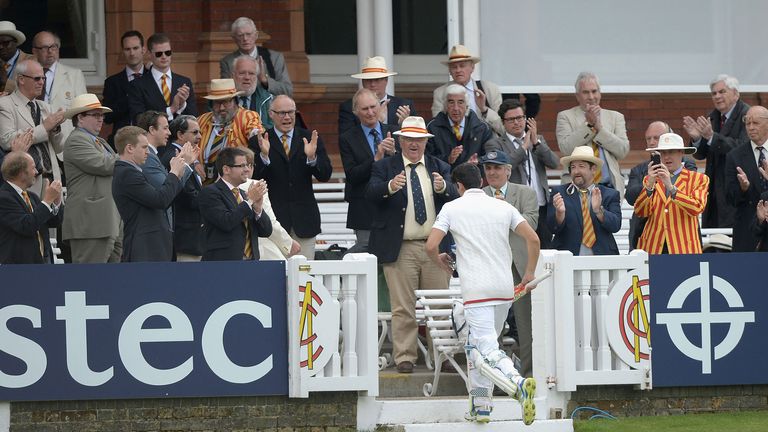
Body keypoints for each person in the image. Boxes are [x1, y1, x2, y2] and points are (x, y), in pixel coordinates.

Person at [426, 162, 539, 425]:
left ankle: (518, 384)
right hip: (503, 289)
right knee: (475, 348)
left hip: (476, 290)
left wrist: (440, 260)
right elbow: (533, 239)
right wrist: (529, 273)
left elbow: (430, 245)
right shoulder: (503, 205)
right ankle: (482, 405)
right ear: (481, 181)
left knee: (485, 349)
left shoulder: (452, 207)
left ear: (458, 186)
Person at [365, 116, 458, 373]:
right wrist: (390, 187)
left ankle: (444, 355)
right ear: (400, 141)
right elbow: (370, 195)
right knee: (402, 306)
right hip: (400, 246)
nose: (413, 144)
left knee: (440, 305)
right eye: (408, 139)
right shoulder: (385, 167)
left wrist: (444, 188)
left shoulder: (439, 167)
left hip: (435, 248)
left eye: (418, 139)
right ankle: (405, 356)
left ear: (426, 142)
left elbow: (456, 198)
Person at [251, 94, 332, 259]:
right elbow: (252, 179)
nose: (287, 117)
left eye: (291, 112)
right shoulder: (258, 141)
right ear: (271, 114)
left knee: (304, 275)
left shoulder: (310, 138)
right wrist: (264, 157)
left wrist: (312, 158)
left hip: (304, 220)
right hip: (273, 223)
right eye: (281, 113)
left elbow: (325, 174)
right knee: (276, 275)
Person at [480, 150, 538, 379]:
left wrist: (504, 210)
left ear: (508, 170)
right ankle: (496, 377)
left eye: (497, 167)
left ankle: (528, 377)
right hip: (491, 268)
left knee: (526, 326)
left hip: (520, 268)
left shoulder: (525, 193)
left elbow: (531, 222)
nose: (492, 172)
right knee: (492, 326)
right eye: (488, 168)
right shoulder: (479, 195)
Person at [485, 99, 559, 247]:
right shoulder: (495, 144)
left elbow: (554, 163)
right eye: (511, 119)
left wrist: (536, 143)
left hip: (541, 206)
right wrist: (523, 148)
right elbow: (505, 166)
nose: (517, 122)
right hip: (515, 207)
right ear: (503, 122)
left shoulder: (537, 140)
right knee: (520, 250)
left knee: (544, 249)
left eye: (520, 118)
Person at [111, 126, 188, 262]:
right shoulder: (128, 173)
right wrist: (174, 173)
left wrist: (178, 173)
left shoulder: (131, 172)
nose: (148, 152)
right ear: (129, 148)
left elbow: (165, 199)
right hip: (145, 247)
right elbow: (160, 200)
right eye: (144, 147)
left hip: (151, 245)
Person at [61, 94, 123, 263]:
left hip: (106, 221)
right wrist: (128, 156)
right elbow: (104, 164)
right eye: (96, 115)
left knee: (108, 281)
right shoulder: (76, 140)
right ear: (80, 117)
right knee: (89, 280)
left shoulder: (99, 141)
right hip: (91, 223)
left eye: (102, 115)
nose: (101, 119)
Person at [683, 74, 750, 229]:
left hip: (736, 187)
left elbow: (742, 147)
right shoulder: (712, 117)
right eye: (714, 93)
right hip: (713, 189)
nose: (717, 96)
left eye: (722, 92)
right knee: (714, 242)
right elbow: (701, 154)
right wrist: (697, 139)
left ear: (736, 93)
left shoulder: (747, 115)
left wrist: (712, 137)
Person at [339, 88, 399, 253]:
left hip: (394, 206)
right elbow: (352, 175)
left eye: (373, 106)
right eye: (365, 109)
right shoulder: (348, 138)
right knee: (366, 254)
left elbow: (406, 168)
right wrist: (376, 158)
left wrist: (394, 154)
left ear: (380, 106)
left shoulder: (394, 131)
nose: (370, 112)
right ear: (355, 112)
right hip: (364, 209)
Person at [556, 72, 629, 199]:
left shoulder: (615, 117)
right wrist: (589, 126)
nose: (591, 96)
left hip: (609, 188)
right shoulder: (565, 116)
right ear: (578, 96)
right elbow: (566, 149)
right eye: (585, 92)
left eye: (594, 91)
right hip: (576, 188)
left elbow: (622, 150)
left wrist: (599, 129)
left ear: (600, 93)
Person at [626, 121, 697, 250]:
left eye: (656, 138)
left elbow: (692, 199)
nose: (652, 142)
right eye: (648, 138)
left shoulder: (687, 165)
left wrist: (669, 183)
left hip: (681, 240)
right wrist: (650, 183)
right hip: (648, 236)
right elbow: (631, 198)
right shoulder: (639, 170)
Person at [0, 59, 66, 197]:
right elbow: (7, 140)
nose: (42, 82)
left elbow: (59, 148)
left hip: (53, 178)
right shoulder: (5, 104)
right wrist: (45, 127)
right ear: (21, 79)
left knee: (56, 218)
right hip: (28, 182)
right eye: (37, 78)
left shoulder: (45, 107)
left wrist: (55, 129)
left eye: (43, 78)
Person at [634, 133, 709, 254]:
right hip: (653, 248)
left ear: (681, 153)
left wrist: (671, 188)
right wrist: (649, 187)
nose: (667, 157)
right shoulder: (651, 179)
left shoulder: (698, 179)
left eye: (671, 152)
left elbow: (696, 207)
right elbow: (640, 211)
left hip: (683, 248)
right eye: (663, 153)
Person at [198, 146, 272, 261]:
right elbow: (226, 222)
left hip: (251, 264)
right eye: (242, 166)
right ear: (226, 169)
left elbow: (266, 231)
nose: (247, 169)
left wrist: (258, 209)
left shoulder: (243, 194)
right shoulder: (210, 193)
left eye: (247, 165)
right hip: (222, 265)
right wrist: (249, 202)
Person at [548, 146, 622, 255]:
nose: (576, 171)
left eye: (581, 166)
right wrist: (560, 214)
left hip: (602, 258)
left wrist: (599, 211)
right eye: (573, 167)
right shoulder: (559, 193)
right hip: (568, 257)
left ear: (593, 169)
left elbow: (615, 226)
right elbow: (552, 228)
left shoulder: (609, 194)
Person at [0, 151, 62, 264]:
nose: (37, 172)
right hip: (19, 268)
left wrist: (56, 202)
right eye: (33, 168)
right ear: (21, 173)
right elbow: (26, 226)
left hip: (42, 263)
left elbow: (53, 223)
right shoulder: (4, 198)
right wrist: (47, 200)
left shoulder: (32, 197)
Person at [238, 146, 300, 260]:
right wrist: (288, 243)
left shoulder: (215, 187)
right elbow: (269, 222)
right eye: (247, 165)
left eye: (251, 165)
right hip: (258, 248)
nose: (248, 169)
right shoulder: (256, 185)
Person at [197, 78, 263, 184]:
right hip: (204, 186)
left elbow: (255, 132)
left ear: (235, 101)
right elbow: (188, 145)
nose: (222, 108)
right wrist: (195, 162)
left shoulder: (247, 116)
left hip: (235, 187)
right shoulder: (201, 120)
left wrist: (255, 133)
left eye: (226, 102)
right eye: (217, 103)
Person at [432, 45, 503, 135]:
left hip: (487, 144)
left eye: (462, 66)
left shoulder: (490, 89)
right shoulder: (440, 93)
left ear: (472, 68)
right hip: (454, 142)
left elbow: (502, 127)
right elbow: (437, 127)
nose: (458, 70)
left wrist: (484, 109)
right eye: (454, 67)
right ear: (449, 71)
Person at [725, 106, 768, 252]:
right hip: (747, 231)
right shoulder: (734, 156)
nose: (751, 127)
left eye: (755, 123)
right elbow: (730, 198)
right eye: (747, 123)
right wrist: (743, 189)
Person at [31, 30, 87, 142]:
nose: (50, 51)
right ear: (34, 51)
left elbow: (83, 112)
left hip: (65, 143)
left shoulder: (74, 75)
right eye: (45, 48)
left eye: (54, 46)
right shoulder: (26, 75)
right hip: (35, 139)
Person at [338, 56, 415, 136]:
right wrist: (375, 123)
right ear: (362, 81)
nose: (372, 84)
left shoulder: (404, 106)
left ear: (386, 80)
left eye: (377, 80)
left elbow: (417, 140)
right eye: (368, 80)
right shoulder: (349, 107)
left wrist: (404, 126)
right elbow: (346, 140)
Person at [128, 33, 197, 123]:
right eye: (159, 54)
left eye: (167, 53)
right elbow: (139, 119)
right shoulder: (137, 85)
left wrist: (182, 105)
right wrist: (171, 109)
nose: (164, 57)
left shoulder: (184, 82)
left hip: (180, 136)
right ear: (149, 54)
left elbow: (193, 117)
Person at [163, 115, 204, 260]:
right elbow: (185, 195)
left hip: (193, 236)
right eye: (194, 133)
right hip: (185, 236)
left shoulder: (185, 156)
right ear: (180, 134)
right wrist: (211, 197)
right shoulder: (174, 157)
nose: (199, 136)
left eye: (200, 133)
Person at [220, 17, 293, 96]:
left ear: (256, 35)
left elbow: (287, 90)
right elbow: (226, 93)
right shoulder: (227, 61)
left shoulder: (274, 58)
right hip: (241, 106)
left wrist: (265, 80)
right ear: (234, 38)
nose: (245, 39)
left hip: (269, 106)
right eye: (240, 35)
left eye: (248, 34)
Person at [427, 84, 493, 169]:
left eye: (460, 102)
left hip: (473, 178)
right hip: (444, 179)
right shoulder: (432, 127)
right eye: (451, 102)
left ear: (467, 106)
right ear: (445, 106)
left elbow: (490, 155)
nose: (456, 108)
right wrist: (448, 159)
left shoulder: (482, 127)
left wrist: (478, 161)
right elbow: (427, 159)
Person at [102, 30, 148, 147]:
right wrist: (131, 95)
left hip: (149, 141)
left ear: (143, 49)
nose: (132, 53)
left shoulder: (153, 78)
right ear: (123, 52)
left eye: (135, 48)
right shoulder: (112, 82)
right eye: (127, 49)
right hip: (122, 143)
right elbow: (108, 117)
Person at [232, 55, 274, 130]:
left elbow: (273, 129)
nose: (247, 78)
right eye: (242, 73)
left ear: (257, 77)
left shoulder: (269, 100)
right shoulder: (220, 100)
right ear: (233, 76)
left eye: (251, 73)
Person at [0, 21, 34, 94]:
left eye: (5, 43)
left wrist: (5, 81)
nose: (1, 47)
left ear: (16, 41)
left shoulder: (31, 61)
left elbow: (31, 90)